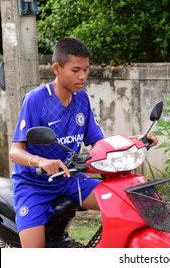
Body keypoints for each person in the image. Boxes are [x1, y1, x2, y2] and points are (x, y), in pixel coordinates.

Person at [9, 37, 158, 248]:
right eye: (76, 70)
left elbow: (97, 143)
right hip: (34, 186)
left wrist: (131, 140)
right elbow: (15, 151)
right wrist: (40, 161)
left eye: (86, 70)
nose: (82, 76)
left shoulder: (82, 99)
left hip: (70, 179)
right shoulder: (36, 100)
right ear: (57, 69)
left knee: (125, 203)